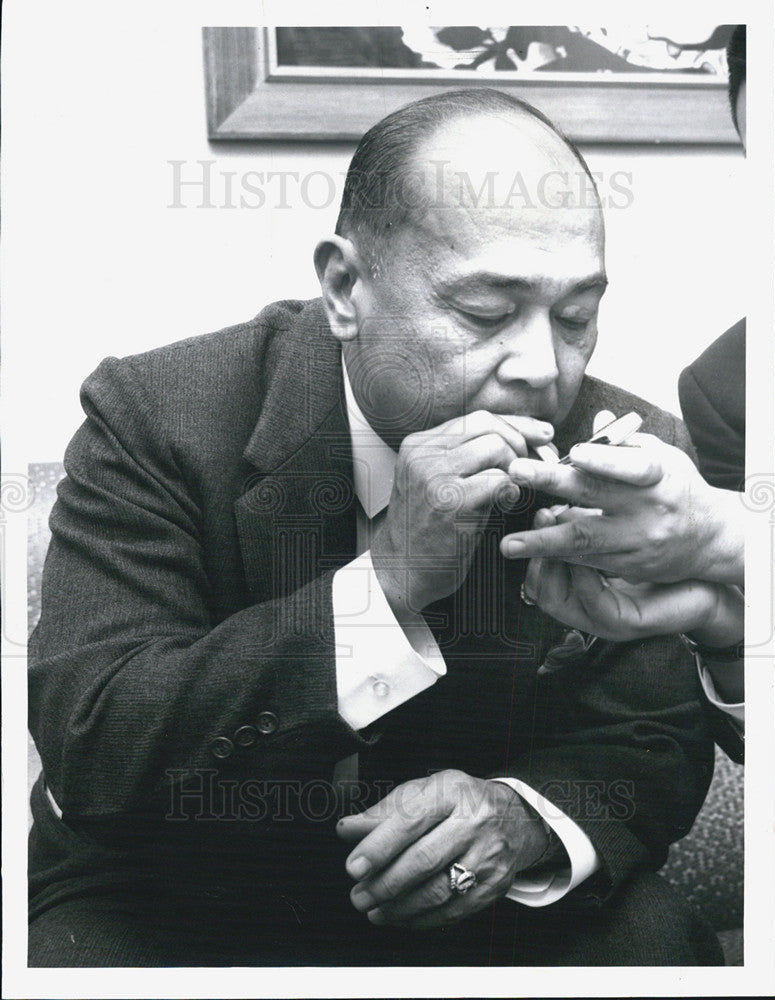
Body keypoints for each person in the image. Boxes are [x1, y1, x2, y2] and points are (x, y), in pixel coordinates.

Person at [28, 88, 722, 967]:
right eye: (485, 313)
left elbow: (650, 734)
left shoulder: (626, 447)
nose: (544, 367)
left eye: (576, 316)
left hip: (483, 907)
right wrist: (383, 589)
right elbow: (98, 738)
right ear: (345, 288)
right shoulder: (157, 414)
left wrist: (525, 816)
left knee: (655, 944)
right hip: (174, 884)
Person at [499, 28, 746, 760]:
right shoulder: (729, 390)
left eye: (573, 317)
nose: (539, 366)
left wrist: (733, 542)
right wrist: (725, 623)